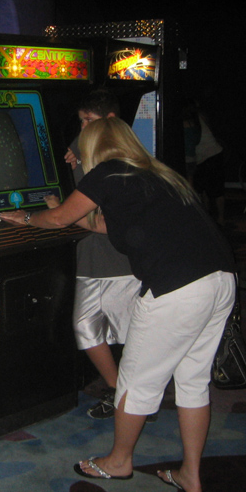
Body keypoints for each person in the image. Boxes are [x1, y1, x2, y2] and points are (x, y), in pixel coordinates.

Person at [0, 117, 235, 492]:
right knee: (193, 381)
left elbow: (58, 218)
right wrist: (64, 214)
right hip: (220, 278)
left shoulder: (107, 171)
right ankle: (191, 474)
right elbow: (108, 226)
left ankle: (119, 461)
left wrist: (27, 217)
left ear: (95, 148)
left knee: (135, 381)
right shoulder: (154, 173)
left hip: (177, 288)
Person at [61, 89, 142, 421]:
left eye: (89, 120)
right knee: (86, 327)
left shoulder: (120, 157)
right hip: (92, 256)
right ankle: (120, 390)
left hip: (120, 258)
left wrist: (53, 213)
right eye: (81, 121)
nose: (83, 127)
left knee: (131, 332)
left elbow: (104, 222)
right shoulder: (87, 149)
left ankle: (133, 396)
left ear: (110, 120)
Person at [193, 100, 226, 224]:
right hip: (206, 156)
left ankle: (220, 218)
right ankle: (209, 217)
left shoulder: (194, 118)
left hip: (212, 154)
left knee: (215, 189)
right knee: (204, 189)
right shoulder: (198, 116)